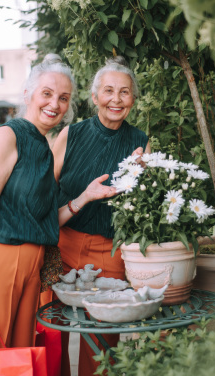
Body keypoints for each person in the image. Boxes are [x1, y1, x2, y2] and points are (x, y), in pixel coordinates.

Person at [0, 54, 117, 349]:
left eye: (63, 98)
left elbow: (42, 220)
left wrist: (85, 197)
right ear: (27, 93)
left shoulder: (42, 145)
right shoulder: (8, 136)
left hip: (31, 270)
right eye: (47, 93)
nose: (54, 104)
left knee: (18, 362)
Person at [47, 56, 151, 376]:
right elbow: (44, 191)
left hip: (110, 250)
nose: (115, 100)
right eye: (108, 91)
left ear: (133, 99)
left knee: (104, 339)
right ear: (94, 98)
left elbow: (144, 206)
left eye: (124, 92)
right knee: (53, 330)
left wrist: (144, 178)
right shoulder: (70, 135)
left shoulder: (140, 143)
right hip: (64, 244)